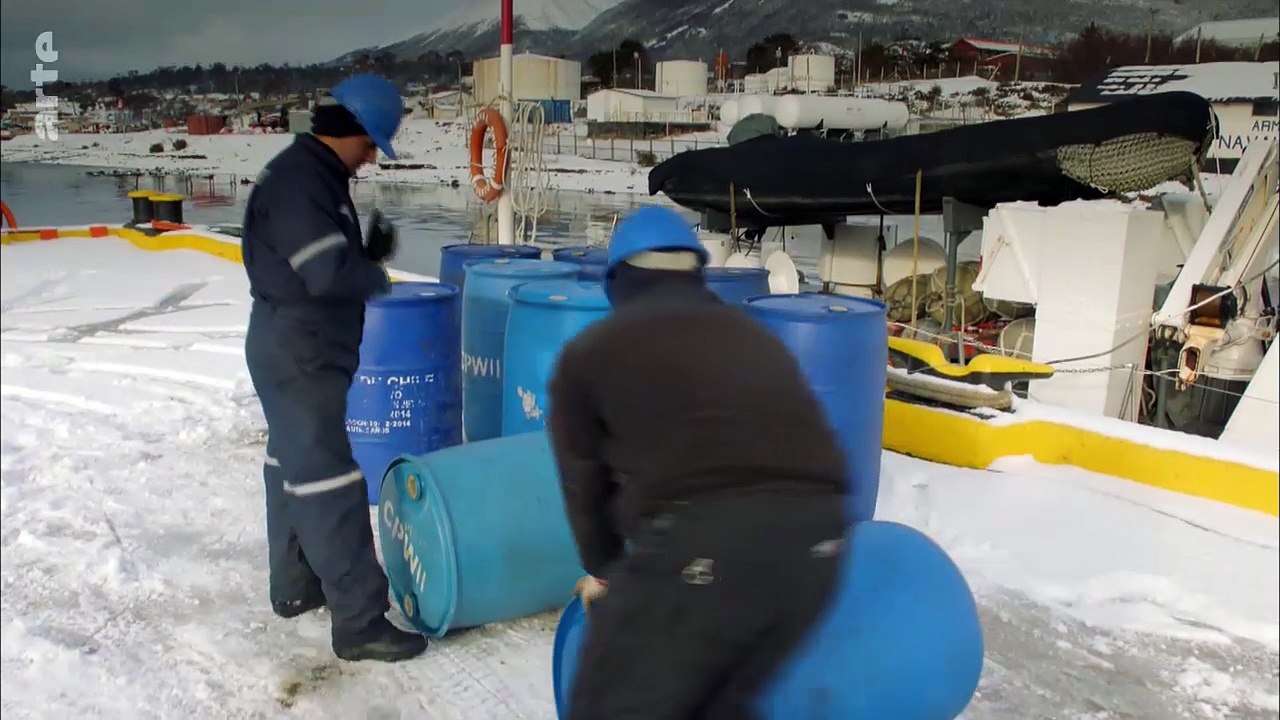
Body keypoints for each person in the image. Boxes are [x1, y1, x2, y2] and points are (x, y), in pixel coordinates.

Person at [547, 206, 851, 719]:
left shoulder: (591, 352)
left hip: (703, 547)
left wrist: (607, 570)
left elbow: (585, 486)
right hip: (819, 549)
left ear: (618, 280)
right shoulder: (751, 335)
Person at [240, 74, 427, 663]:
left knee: (292, 465)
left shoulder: (315, 175)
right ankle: (360, 621)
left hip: (299, 348)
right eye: (369, 143)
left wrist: (361, 252)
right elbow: (323, 276)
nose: (371, 156)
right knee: (330, 483)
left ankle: (297, 587)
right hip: (300, 353)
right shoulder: (302, 183)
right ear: (346, 130)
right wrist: (374, 272)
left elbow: (317, 260)